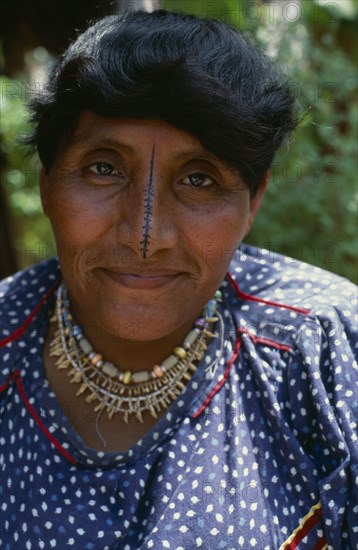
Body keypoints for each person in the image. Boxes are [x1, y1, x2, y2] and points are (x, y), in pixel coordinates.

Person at [0, 9, 356, 550]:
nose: (147, 237)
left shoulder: (324, 347)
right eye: (103, 167)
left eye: (199, 179)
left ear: (252, 201)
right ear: (48, 186)